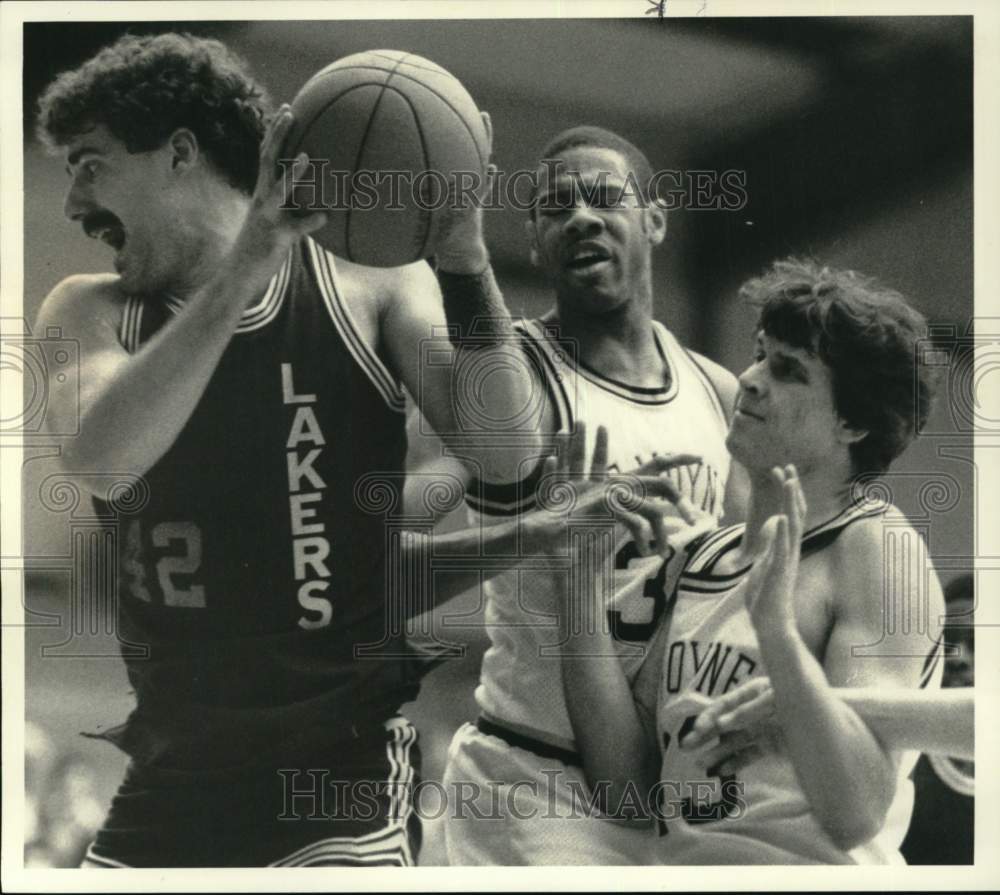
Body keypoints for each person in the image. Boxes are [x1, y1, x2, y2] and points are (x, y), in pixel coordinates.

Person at [34, 32, 548, 868]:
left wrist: (464, 255)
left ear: (181, 154)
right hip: (171, 785)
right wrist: (244, 264)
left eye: (90, 165)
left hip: (339, 782)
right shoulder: (87, 310)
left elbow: (507, 455)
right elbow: (104, 458)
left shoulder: (370, 283)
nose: (72, 203)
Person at [557, 258, 945, 864]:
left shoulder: (876, 545)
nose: (750, 378)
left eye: (788, 371)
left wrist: (779, 639)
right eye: (760, 354)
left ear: (852, 422)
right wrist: (576, 576)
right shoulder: (703, 557)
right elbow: (628, 791)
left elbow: (857, 814)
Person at [434, 125, 748, 865]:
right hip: (531, 775)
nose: (580, 216)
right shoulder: (511, 377)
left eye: (604, 197)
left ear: (656, 220)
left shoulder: (717, 390)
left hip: (652, 777)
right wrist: (461, 253)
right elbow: (389, 554)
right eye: (555, 207)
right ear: (536, 242)